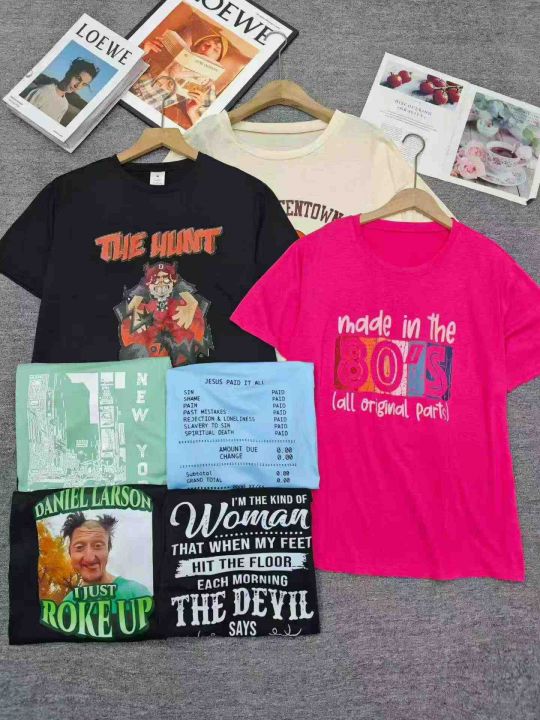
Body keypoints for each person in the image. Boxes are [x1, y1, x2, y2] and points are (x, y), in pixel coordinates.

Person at [61, 512, 150, 602]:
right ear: (70, 553)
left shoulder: (137, 594)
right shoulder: (68, 603)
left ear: (108, 550)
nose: (89, 558)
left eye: (98, 546)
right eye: (79, 547)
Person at [25, 57, 99, 123]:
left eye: (84, 84)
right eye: (78, 78)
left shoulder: (65, 105)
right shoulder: (42, 92)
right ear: (68, 73)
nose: (78, 86)